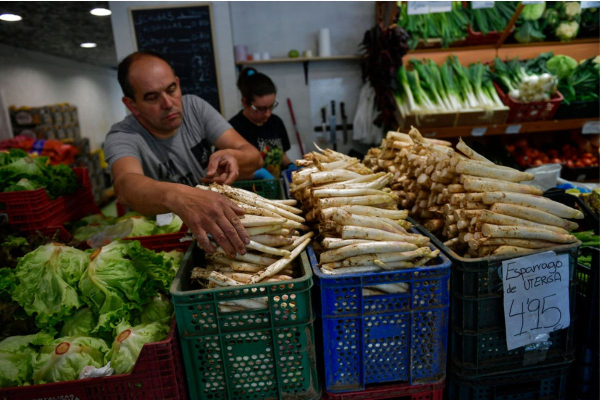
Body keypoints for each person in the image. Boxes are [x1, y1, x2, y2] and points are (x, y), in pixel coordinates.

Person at [104, 51, 263, 257]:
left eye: (172, 89)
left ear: (178, 84)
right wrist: (178, 197)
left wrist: (234, 157)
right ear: (131, 105)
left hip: (215, 232)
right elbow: (126, 186)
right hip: (163, 246)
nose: (168, 103)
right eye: (152, 97)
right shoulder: (122, 135)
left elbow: (254, 156)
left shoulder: (194, 107)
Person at [228, 68, 297, 179]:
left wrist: (290, 165)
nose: (268, 114)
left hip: (276, 188)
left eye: (271, 106)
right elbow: (225, 169)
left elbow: (281, 153)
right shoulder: (232, 129)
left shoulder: (276, 122)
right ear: (245, 102)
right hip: (250, 192)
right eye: (261, 109)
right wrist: (255, 174)